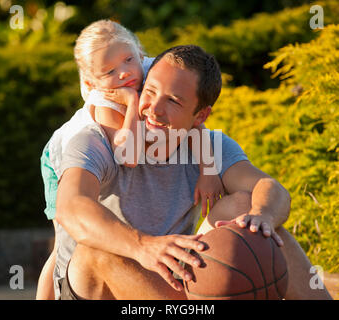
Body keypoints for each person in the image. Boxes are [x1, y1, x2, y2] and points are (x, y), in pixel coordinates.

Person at [54, 44, 332, 300]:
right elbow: (71, 207)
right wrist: (142, 246)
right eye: (149, 92)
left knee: (250, 211)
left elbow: (270, 188)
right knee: (96, 252)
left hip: (174, 280)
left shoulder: (209, 146)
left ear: (200, 116)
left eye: (173, 101)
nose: (154, 109)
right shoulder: (97, 139)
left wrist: (263, 216)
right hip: (97, 287)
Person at [37, 20, 223, 299]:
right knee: (68, 242)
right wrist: (132, 103)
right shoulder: (105, 101)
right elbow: (130, 157)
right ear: (92, 82)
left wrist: (209, 169)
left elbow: (196, 120)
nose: (124, 73)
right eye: (110, 71)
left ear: (139, 51)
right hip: (59, 157)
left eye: (128, 59)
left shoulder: (151, 70)